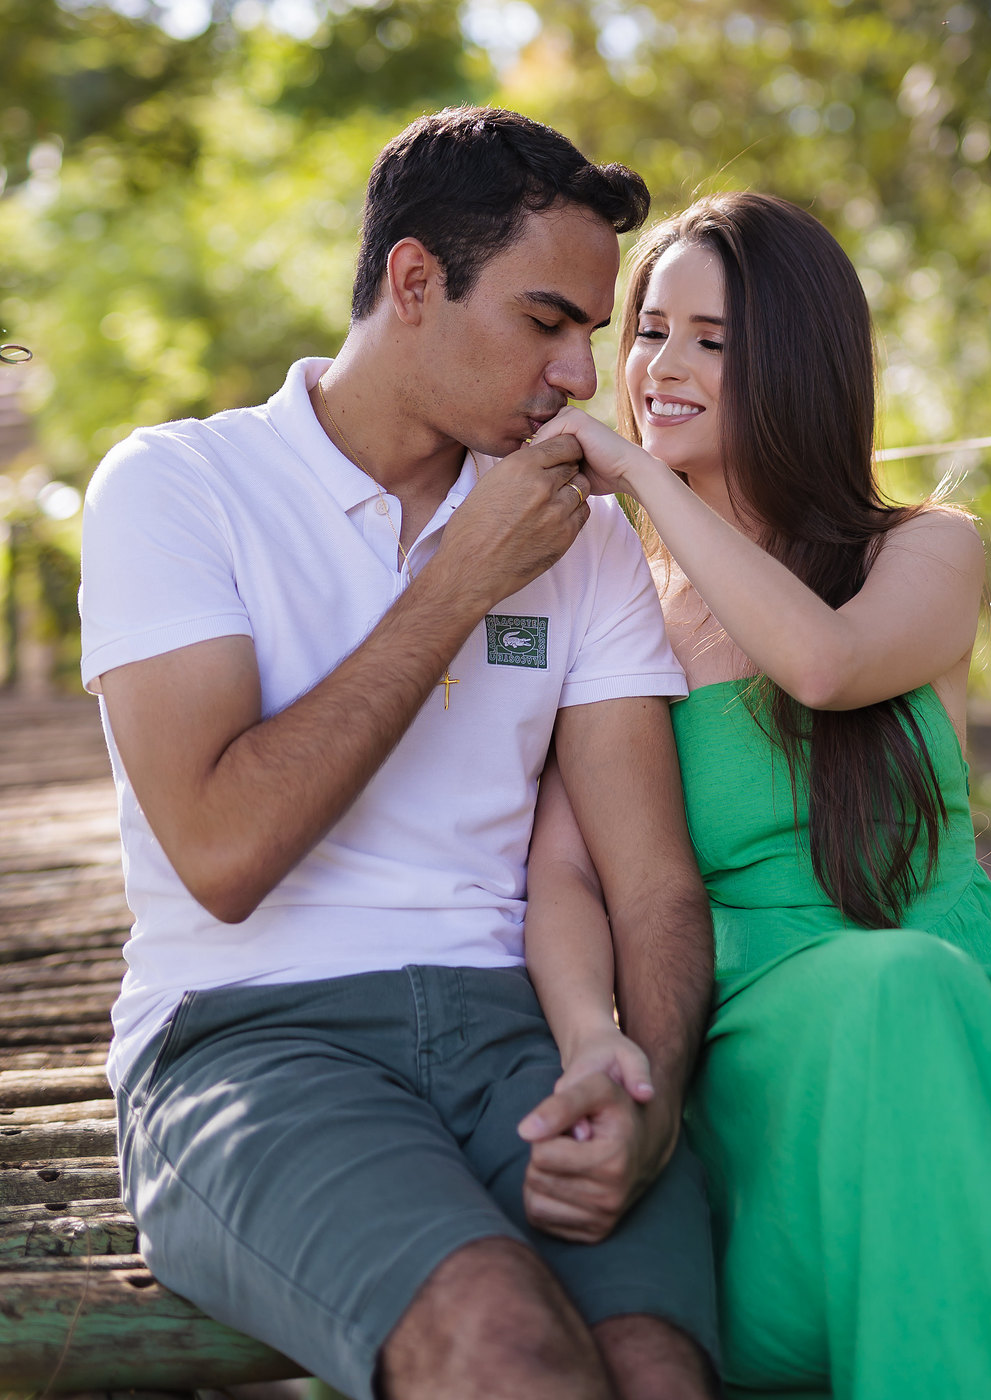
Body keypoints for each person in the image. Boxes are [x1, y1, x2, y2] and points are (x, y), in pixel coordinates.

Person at [78, 106, 722, 1400]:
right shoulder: (175, 488)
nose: (582, 380)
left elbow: (653, 881)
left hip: (519, 1036)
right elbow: (221, 853)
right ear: (415, 281)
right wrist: (460, 587)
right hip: (248, 1042)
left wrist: (643, 1097)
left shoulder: (581, 540)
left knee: (656, 1369)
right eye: (547, 323)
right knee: (507, 1354)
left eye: (591, 335)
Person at [522, 190, 991, 1400]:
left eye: (713, 341)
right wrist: (600, 1041)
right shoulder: (611, 605)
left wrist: (639, 476)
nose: (662, 367)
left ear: (798, 362)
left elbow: (824, 664)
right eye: (650, 330)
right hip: (769, 1030)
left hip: (990, 999)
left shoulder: (925, 550)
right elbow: (565, 873)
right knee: (899, 994)